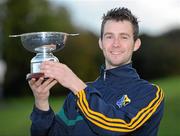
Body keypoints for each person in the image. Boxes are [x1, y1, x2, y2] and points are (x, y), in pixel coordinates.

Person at [29, 7, 164, 136]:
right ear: (101, 43)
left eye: (124, 37)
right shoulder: (75, 96)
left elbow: (118, 127)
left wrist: (75, 84)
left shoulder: (150, 93)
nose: (116, 43)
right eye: (109, 36)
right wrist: (41, 102)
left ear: (136, 44)